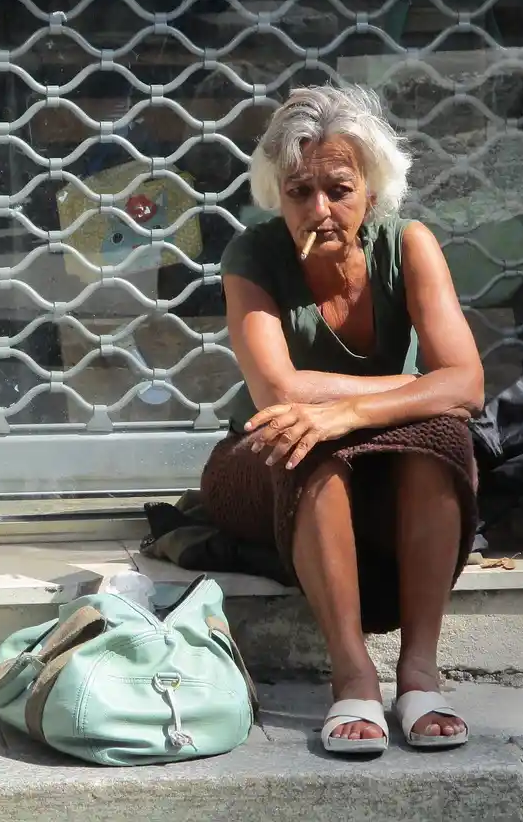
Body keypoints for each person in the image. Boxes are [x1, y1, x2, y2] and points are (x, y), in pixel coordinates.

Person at [201, 84, 484, 755]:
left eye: (338, 189)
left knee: (442, 436)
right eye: (299, 191)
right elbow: (278, 390)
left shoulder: (409, 244)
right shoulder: (253, 255)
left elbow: (467, 382)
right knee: (306, 441)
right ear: (278, 193)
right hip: (261, 457)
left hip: (379, 456)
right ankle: (352, 676)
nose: (320, 209)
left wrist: (352, 409)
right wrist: (414, 386)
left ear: (372, 188)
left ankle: (419, 673)